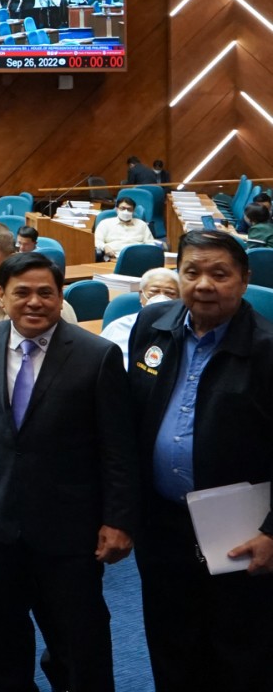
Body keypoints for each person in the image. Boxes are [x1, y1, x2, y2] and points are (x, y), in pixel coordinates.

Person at [0, 251, 138, 692]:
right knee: (5, 635)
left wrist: (118, 521)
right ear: (1, 296)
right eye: (22, 292)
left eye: (45, 293)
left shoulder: (97, 355)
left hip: (70, 526)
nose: (34, 302)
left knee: (78, 640)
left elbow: (119, 449)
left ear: (60, 298)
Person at [127, 229, 273, 690]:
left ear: (244, 280)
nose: (203, 284)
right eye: (191, 271)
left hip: (242, 528)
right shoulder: (152, 325)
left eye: (219, 273)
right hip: (162, 523)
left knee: (238, 650)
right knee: (171, 643)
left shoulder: (268, 349)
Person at [99, 268, 179, 355]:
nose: (161, 298)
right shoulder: (118, 328)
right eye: (154, 292)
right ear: (141, 295)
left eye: (170, 293)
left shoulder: (184, 332)